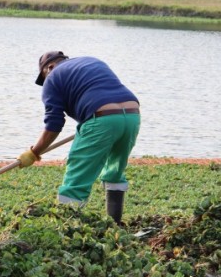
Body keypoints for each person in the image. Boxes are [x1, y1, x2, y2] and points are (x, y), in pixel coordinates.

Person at [17, 51, 140, 223]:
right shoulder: (92, 61)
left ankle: (66, 231)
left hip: (101, 119)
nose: (45, 81)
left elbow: (54, 124)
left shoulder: (52, 78)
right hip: (132, 115)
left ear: (49, 67)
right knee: (114, 171)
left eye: (44, 76)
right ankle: (115, 226)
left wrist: (34, 152)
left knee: (76, 181)